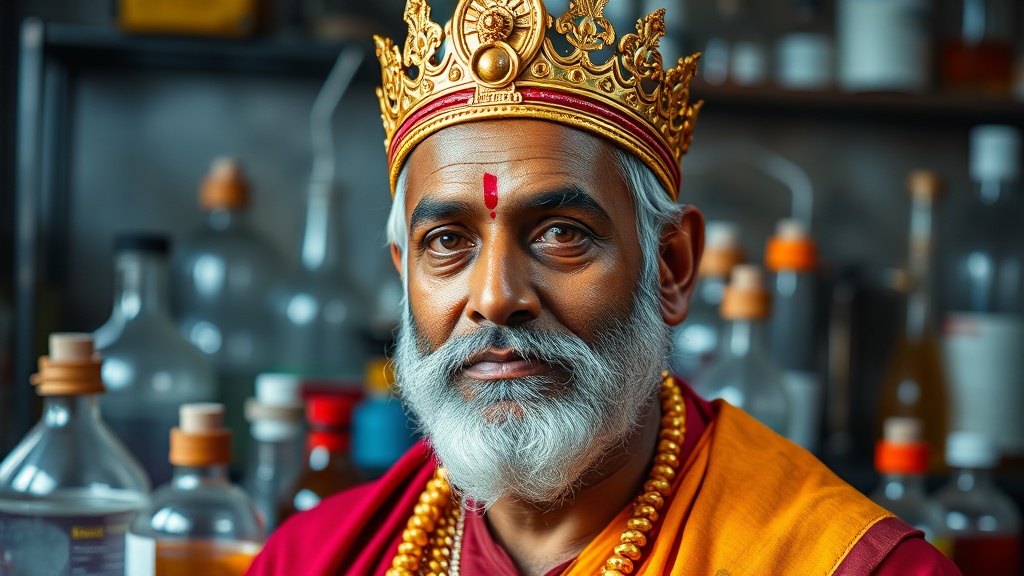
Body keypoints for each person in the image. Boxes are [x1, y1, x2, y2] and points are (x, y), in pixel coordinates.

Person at [248, 0, 959, 574]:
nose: (495, 297)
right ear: (405, 279)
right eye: (448, 242)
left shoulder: (842, 564)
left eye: (562, 233)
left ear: (672, 267)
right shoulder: (308, 558)